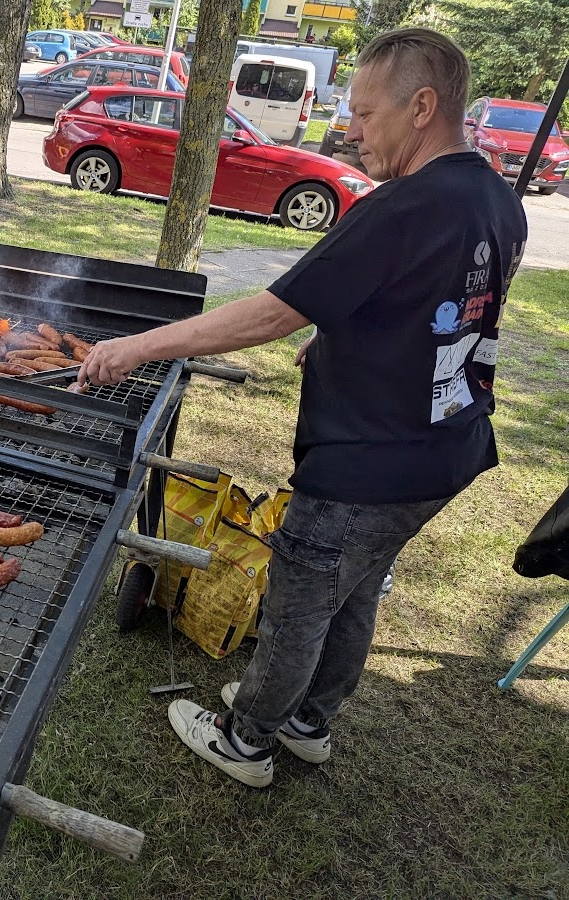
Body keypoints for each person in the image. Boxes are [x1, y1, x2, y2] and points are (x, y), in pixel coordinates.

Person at [78, 28, 527, 788]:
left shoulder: (402, 206)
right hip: (444, 448)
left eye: (362, 110)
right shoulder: (492, 197)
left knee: (299, 601)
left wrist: (141, 346)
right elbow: (440, 303)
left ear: (421, 106)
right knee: (353, 591)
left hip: (369, 457)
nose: (348, 128)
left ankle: (246, 740)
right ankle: (308, 722)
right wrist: (339, 336)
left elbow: (271, 311)